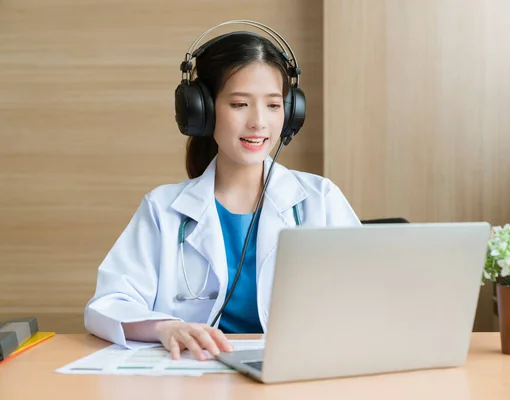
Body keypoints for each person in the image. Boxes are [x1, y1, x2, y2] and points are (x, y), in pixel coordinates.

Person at [84, 24, 360, 362]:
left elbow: (370, 297)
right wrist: (165, 327)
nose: (259, 122)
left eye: (273, 106)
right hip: (194, 372)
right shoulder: (163, 209)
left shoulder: (321, 200)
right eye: (240, 104)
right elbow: (107, 305)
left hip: (295, 370)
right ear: (203, 111)